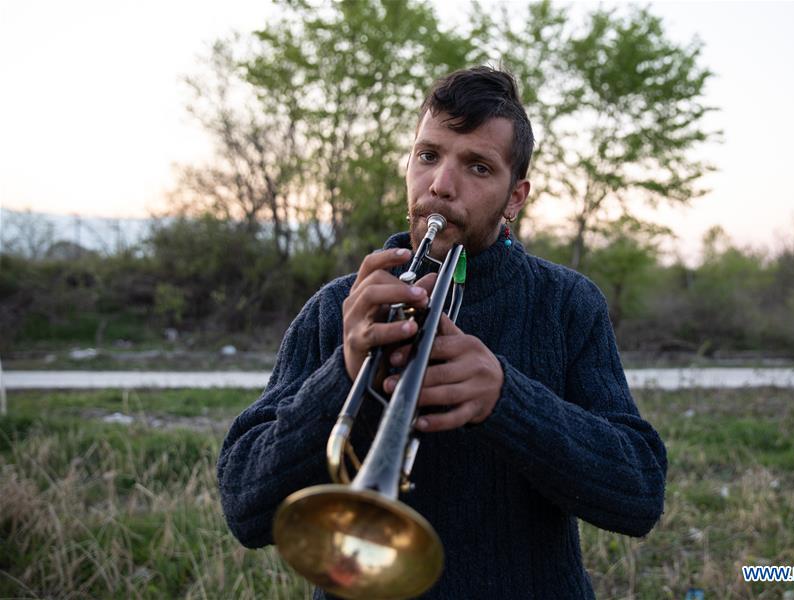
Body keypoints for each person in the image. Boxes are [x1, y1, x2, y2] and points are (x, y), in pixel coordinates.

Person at [217, 66, 667, 599]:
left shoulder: (568, 303)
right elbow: (245, 506)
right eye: (428, 156)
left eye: (477, 166)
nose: (441, 185)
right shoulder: (339, 306)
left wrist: (508, 398)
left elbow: (638, 495)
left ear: (515, 198)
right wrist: (343, 371)